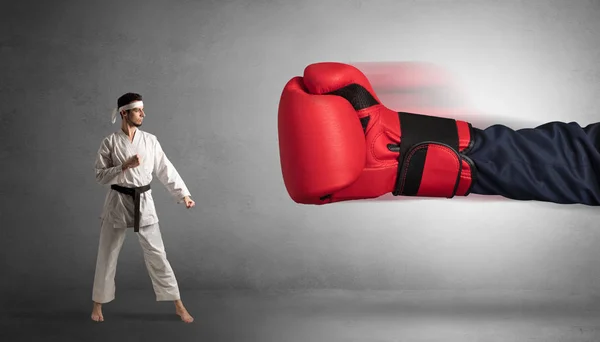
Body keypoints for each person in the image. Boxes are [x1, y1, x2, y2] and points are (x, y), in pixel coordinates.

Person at [91, 92, 195, 323]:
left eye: (142, 110)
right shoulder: (109, 142)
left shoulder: (150, 140)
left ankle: (178, 305)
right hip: (117, 200)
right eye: (138, 111)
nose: (143, 114)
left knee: (157, 254)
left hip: (143, 200)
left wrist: (183, 194)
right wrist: (123, 166)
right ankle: (97, 305)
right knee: (107, 254)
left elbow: (164, 168)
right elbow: (99, 176)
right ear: (124, 113)